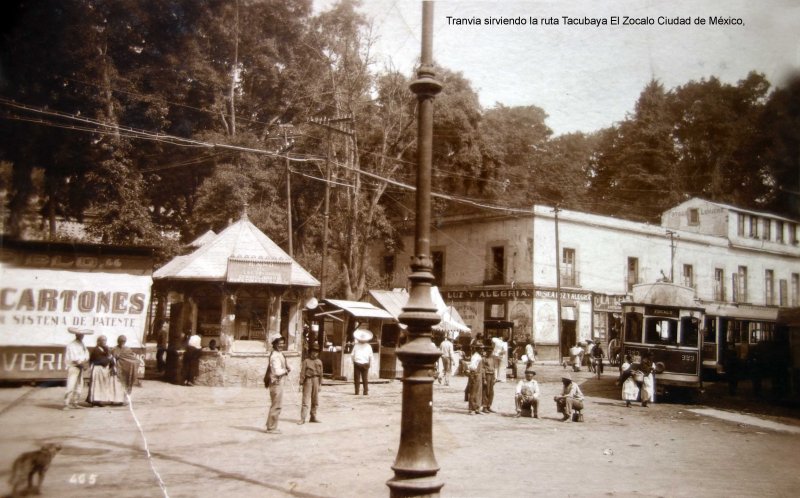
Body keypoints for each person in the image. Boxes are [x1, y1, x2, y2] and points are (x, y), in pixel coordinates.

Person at [86, 335, 125, 407]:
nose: (104, 342)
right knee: (96, 385)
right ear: (99, 341)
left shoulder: (103, 349)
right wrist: (109, 359)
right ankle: (94, 401)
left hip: (102, 369)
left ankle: (98, 401)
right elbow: (100, 360)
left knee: (100, 386)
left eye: (105, 340)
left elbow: (108, 356)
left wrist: (109, 355)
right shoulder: (96, 349)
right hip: (97, 369)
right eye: (103, 340)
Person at [265, 336, 290, 434]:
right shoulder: (275, 356)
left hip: (278, 382)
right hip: (276, 382)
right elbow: (277, 371)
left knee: (275, 404)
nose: (281, 345)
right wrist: (286, 371)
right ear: (274, 344)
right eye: (279, 343)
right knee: (276, 405)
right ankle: (271, 428)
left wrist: (287, 367)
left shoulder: (279, 354)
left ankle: (271, 425)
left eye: (282, 343)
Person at [63, 327, 91, 410]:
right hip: (73, 367)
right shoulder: (72, 345)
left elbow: (86, 354)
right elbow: (73, 358)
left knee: (79, 385)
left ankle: (75, 402)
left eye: (82, 335)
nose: (82, 336)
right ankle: (66, 404)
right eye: (80, 335)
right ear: (76, 335)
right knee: (71, 385)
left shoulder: (82, 344)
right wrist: (82, 364)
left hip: (80, 367)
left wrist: (85, 362)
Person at [298, 343, 323, 425]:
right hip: (308, 381)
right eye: (313, 351)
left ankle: (313, 417)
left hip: (316, 380)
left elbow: (321, 374)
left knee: (315, 400)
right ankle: (303, 418)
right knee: (305, 400)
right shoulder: (306, 361)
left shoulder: (319, 362)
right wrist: (301, 384)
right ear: (310, 352)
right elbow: (302, 373)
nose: (315, 353)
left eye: (316, 352)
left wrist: (320, 385)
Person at [352, 329, 373, 395]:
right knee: (365, 378)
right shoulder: (369, 346)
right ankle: (365, 391)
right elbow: (371, 356)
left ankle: (357, 391)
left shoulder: (356, 345)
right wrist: (370, 364)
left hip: (357, 363)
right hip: (366, 363)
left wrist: (353, 361)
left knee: (357, 379)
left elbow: (352, 355)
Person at [466, 346, 484, 415]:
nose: (482, 350)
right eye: (481, 349)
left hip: (479, 375)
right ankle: (472, 409)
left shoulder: (479, 356)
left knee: (478, 392)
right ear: (477, 349)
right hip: (475, 375)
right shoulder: (475, 356)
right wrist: (474, 374)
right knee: (473, 392)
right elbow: (472, 366)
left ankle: (477, 408)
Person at [481, 342, 497, 413]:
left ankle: (489, 406)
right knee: (485, 391)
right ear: (486, 352)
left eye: (491, 351)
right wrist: (484, 379)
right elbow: (483, 369)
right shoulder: (484, 359)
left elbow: (494, 368)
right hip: (487, 375)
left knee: (491, 392)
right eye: (488, 351)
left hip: (492, 375)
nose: (490, 352)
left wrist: (495, 378)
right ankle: (484, 406)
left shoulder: (493, 359)